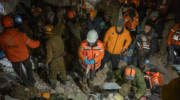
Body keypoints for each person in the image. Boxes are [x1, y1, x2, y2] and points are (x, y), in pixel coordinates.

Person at [0, 16, 40, 86]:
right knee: (28, 67)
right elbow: (33, 45)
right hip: (24, 56)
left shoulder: (1, 37)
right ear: (12, 23)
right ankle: (32, 81)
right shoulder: (20, 35)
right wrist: (39, 42)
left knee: (19, 71)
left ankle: (26, 83)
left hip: (13, 58)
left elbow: (3, 48)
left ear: (3, 25)